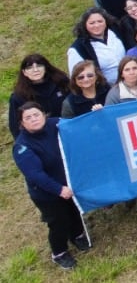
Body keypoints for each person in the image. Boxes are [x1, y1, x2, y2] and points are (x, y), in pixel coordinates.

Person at [11, 102, 89, 271]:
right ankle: (59, 252)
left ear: (44, 115)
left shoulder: (56, 123)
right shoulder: (22, 147)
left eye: (36, 115)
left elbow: (79, 125)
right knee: (58, 222)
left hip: (68, 184)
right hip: (47, 193)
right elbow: (35, 175)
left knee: (74, 211)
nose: (33, 119)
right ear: (22, 123)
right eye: (28, 118)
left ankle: (77, 235)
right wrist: (59, 190)